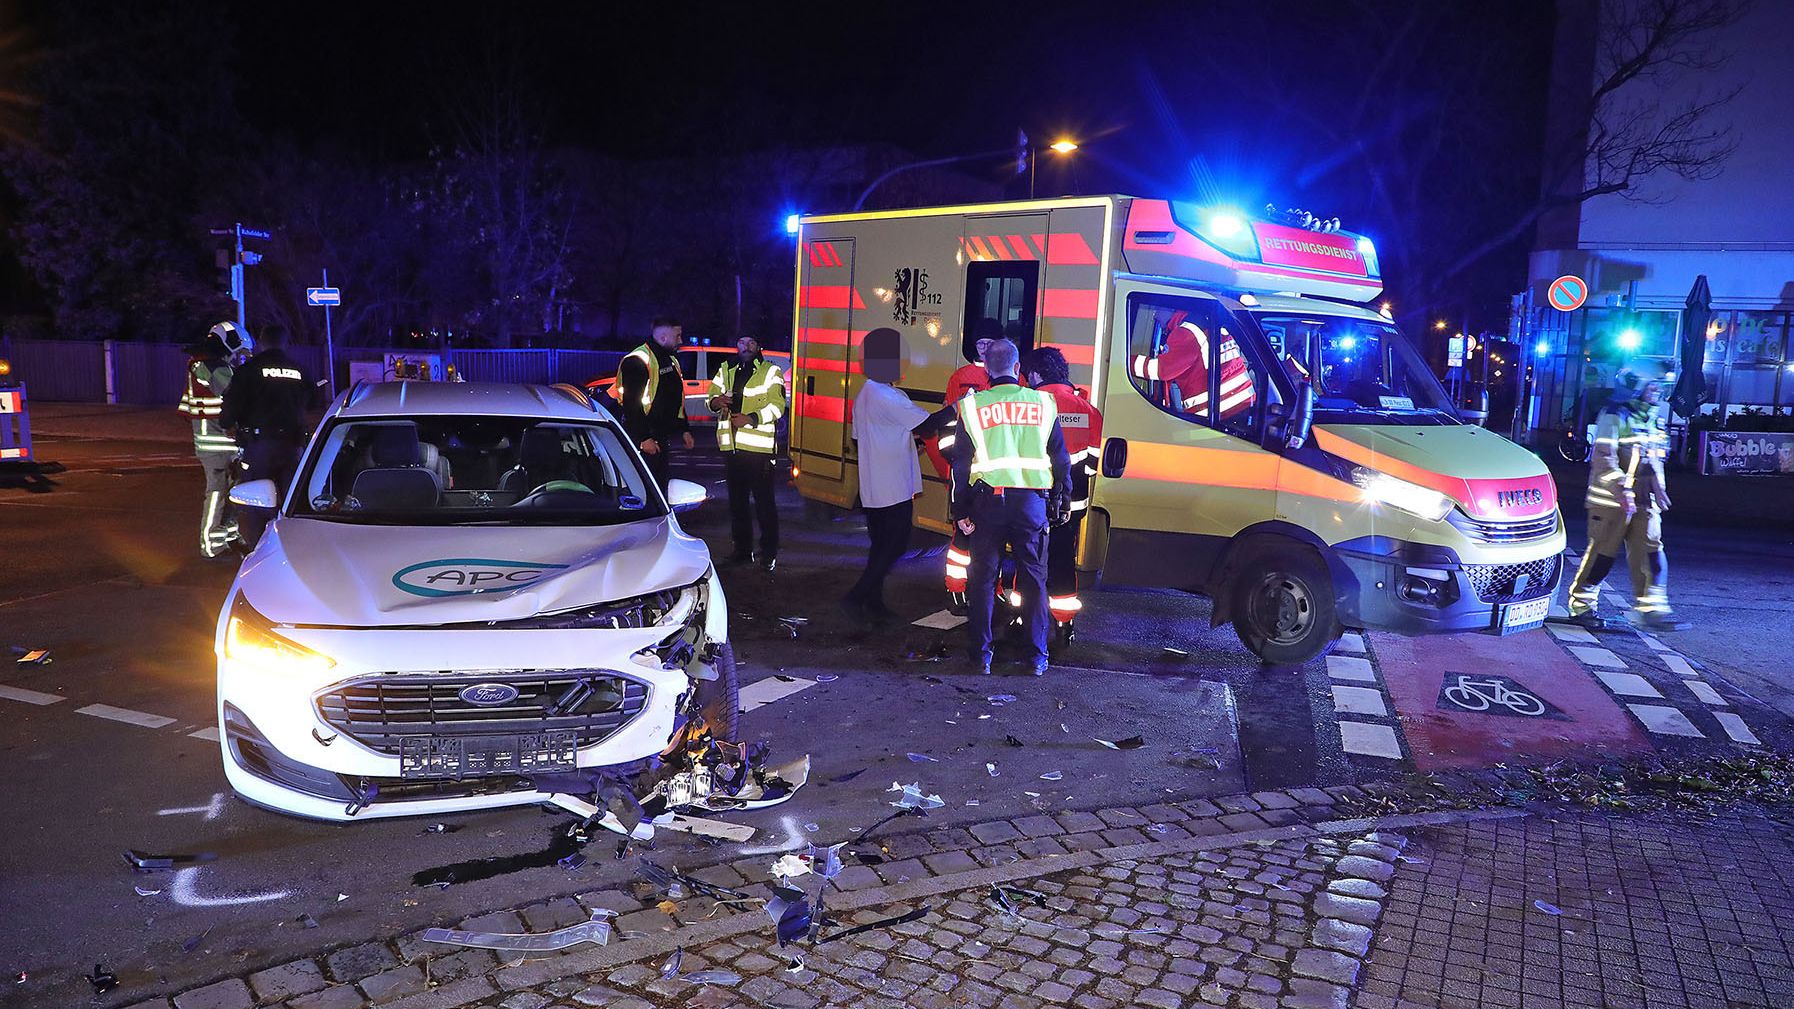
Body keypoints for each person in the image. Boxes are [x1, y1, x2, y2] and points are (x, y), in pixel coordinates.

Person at [947, 338, 1069, 676]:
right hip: (1031, 504)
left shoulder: (973, 407)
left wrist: (960, 510)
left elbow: (960, 464)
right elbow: (1060, 458)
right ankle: (1036, 658)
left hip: (988, 503)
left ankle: (980, 657)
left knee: (983, 581)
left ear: (987, 369)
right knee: (1033, 580)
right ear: (1018, 369)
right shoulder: (1043, 403)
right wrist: (1062, 497)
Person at [1562, 362, 1688, 631]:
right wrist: (1621, 488)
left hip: (1645, 502)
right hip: (1611, 502)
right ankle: (1581, 606)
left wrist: (1657, 488)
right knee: (1602, 556)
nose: (1657, 393)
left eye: (1660, 388)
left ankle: (1651, 609)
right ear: (1635, 387)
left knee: (1651, 551)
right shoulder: (1614, 416)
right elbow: (1603, 459)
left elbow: (1654, 460)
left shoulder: (1654, 419)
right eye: (1652, 387)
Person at [846, 327, 932, 619]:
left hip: (874, 486)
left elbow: (858, 438)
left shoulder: (865, 393)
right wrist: (961, 406)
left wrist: (900, 441)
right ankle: (857, 596)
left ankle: (873, 602)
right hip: (892, 486)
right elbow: (928, 425)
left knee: (881, 546)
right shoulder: (887, 396)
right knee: (895, 545)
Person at [1021, 346, 1104, 647]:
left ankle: (1024, 619)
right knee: (1062, 562)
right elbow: (1093, 467)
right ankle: (1064, 624)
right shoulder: (1088, 410)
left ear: (1034, 374)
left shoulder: (1029, 405)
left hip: (1031, 502)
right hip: (1071, 507)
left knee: (1028, 559)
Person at [918, 322, 999, 611]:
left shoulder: (1011, 375)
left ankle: (994, 589)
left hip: (995, 471)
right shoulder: (961, 378)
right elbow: (948, 424)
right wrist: (953, 463)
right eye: (980, 343)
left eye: (990, 343)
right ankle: (956, 589)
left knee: (993, 537)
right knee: (963, 534)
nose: (984, 348)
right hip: (967, 468)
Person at [220, 324, 312, 549]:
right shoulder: (299, 370)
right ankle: (295, 550)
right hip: (293, 446)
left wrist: (228, 423)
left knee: (258, 502)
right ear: (285, 342)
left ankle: (260, 551)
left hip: (260, 446)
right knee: (293, 504)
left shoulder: (249, 371)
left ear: (261, 343)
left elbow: (229, 411)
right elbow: (314, 399)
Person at [708, 336, 785, 570]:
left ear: (758, 346)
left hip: (758, 451)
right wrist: (716, 402)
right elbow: (710, 399)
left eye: (751, 342)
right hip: (731, 448)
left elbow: (777, 406)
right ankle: (742, 551)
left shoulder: (772, 371)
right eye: (742, 342)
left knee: (764, 504)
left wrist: (750, 419)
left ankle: (769, 553)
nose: (746, 347)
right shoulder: (725, 369)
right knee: (737, 504)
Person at [179, 321, 249, 558]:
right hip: (214, 443)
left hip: (225, 441)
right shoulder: (208, 366)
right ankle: (212, 545)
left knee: (235, 491)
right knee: (217, 492)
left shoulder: (213, 365)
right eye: (239, 351)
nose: (240, 357)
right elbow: (234, 393)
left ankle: (228, 534)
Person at [1132, 309, 1256, 421]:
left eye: (1157, 310)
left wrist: (1121, 360)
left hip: (1219, 416)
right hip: (1244, 407)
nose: (1155, 316)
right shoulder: (1208, 321)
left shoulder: (1186, 332)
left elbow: (1161, 370)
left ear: (1170, 308)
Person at [618, 317, 694, 489]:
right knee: (646, 489)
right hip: (645, 440)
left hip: (659, 437)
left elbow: (674, 397)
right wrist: (644, 438)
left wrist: (684, 428)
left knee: (659, 487)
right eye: (678, 336)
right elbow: (632, 403)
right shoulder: (638, 360)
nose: (681, 341)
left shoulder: (670, 360)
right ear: (664, 337)